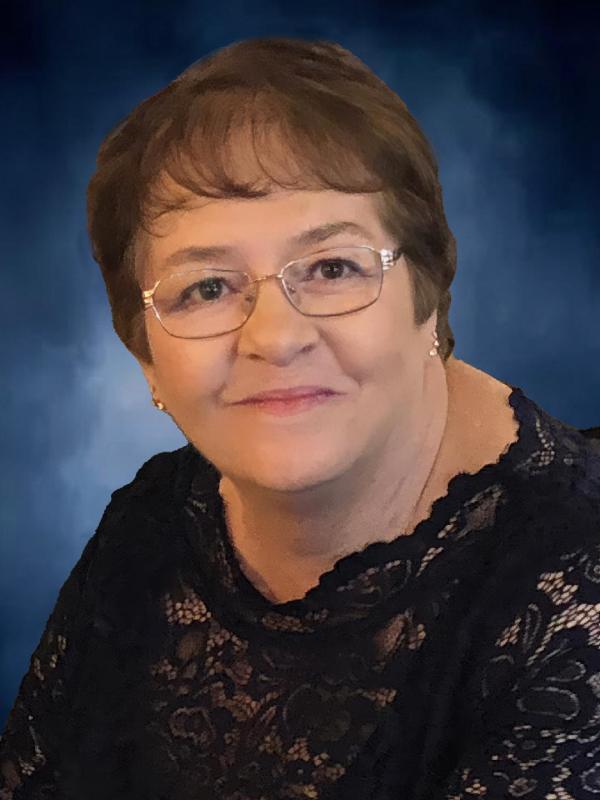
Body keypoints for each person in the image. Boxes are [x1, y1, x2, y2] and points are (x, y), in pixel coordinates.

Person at [1, 36, 599, 800]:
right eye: (207, 288)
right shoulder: (152, 529)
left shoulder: (575, 600)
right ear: (146, 357)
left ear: (428, 299)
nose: (276, 338)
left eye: (331, 268)